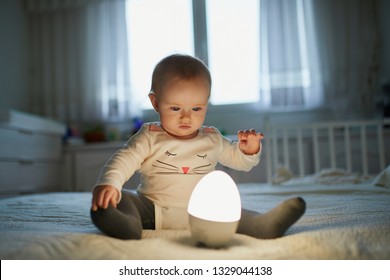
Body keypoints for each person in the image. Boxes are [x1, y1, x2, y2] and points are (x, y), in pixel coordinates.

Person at [91, 54, 305, 240]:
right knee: (125, 198)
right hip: (153, 209)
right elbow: (124, 159)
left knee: (233, 212)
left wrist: (249, 149)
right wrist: (110, 183)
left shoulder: (211, 138)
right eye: (175, 108)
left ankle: (262, 225)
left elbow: (238, 161)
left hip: (204, 212)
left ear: (206, 102)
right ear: (155, 103)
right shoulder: (149, 136)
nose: (186, 117)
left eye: (196, 108)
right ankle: (125, 224)